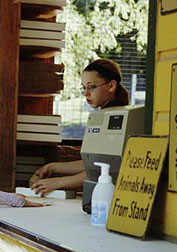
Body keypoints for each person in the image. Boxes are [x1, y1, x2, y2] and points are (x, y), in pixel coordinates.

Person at [30, 58, 130, 196]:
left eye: (92, 87)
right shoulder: (102, 116)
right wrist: (52, 167)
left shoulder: (120, 118)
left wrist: (57, 183)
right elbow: (94, 164)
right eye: (84, 87)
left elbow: (108, 169)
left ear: (111, 86)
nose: (86, 93)